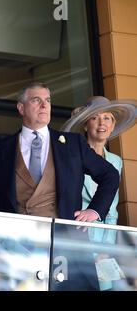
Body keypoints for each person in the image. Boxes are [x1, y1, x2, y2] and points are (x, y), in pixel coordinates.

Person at [0, 82, 120, 290]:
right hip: (19, 247)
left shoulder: (73, 143)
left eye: (48, 101)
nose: (44, 105)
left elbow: (110, 175)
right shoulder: (0, 148)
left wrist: (95, 210)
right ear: (21, 108)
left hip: (67, 245)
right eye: (36, 100)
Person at [61, 95, 137, 290]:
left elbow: (111, 211)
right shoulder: (72, 156)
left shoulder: (115, 162)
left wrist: (106, 251)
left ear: (112, 126)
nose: (101, 123)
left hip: (103, 246)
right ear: (85, 125)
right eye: (95, 118)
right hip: (77, 240)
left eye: (107, 118)